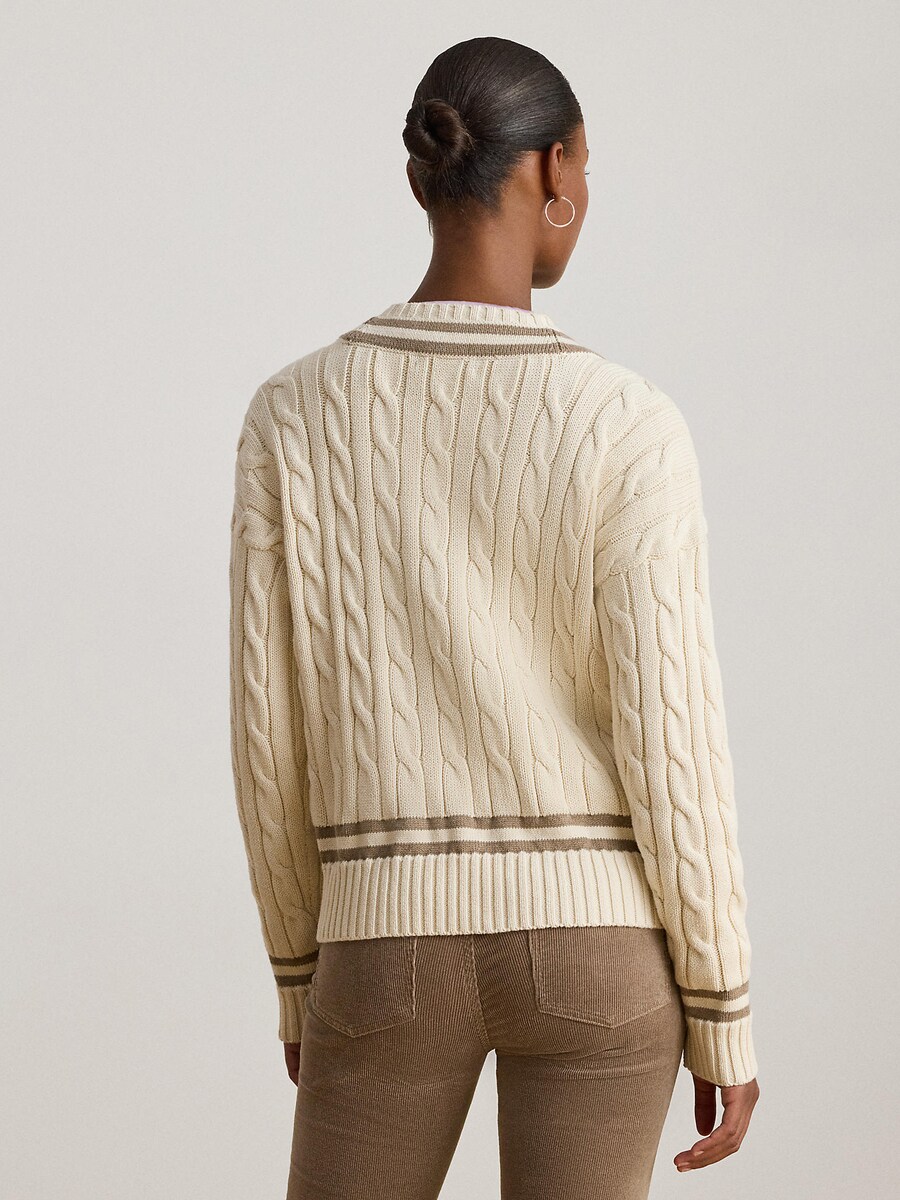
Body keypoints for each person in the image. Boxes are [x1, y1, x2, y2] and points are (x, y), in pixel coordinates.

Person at [228, 35, 760, 1200]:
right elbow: (676, 742)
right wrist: (722, 1003)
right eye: (587, 168)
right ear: (555, 168)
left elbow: (270, 738)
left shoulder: (292, 417)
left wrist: (301, 972)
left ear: (422, 176)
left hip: (381, 944)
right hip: (600, 950)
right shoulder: (627, 422)